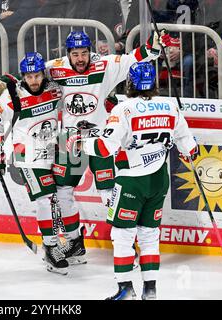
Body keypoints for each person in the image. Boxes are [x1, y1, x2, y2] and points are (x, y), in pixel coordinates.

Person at [42, 30, 171, 265]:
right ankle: (73, 242)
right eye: (75, 54)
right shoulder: (55, 68)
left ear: (90, 52)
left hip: (101, 140)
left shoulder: (105, 65)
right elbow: (31, 77)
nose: (80, 59)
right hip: (69, 139)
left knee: (108, 193)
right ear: (67, 53)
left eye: (84, 53)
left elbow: (134, 58)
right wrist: (8, 83)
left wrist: (152, 46)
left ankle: (126, 244)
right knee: (61, 192)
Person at [80, 61, 198, 300]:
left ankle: (125, 290)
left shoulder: (123, 109)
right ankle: (150, 291)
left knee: (122, 236)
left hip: (131, 182)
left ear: (130, 83)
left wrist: (80, 142)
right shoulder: (170, 107)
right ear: (153, 83)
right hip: (159, 180)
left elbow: (104, 148)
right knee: (149, 236)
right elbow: (191, 149)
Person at [0, 52, 70, 274]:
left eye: (37, 75)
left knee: (63, 196)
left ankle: (73, 241)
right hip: (28, 155)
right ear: (23, 76)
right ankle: (51, 248)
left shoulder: (55, 89)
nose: (33, 80)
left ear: (43, 73)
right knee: (47, 199)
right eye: (28, 76)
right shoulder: (11, 97)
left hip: (56, 149)